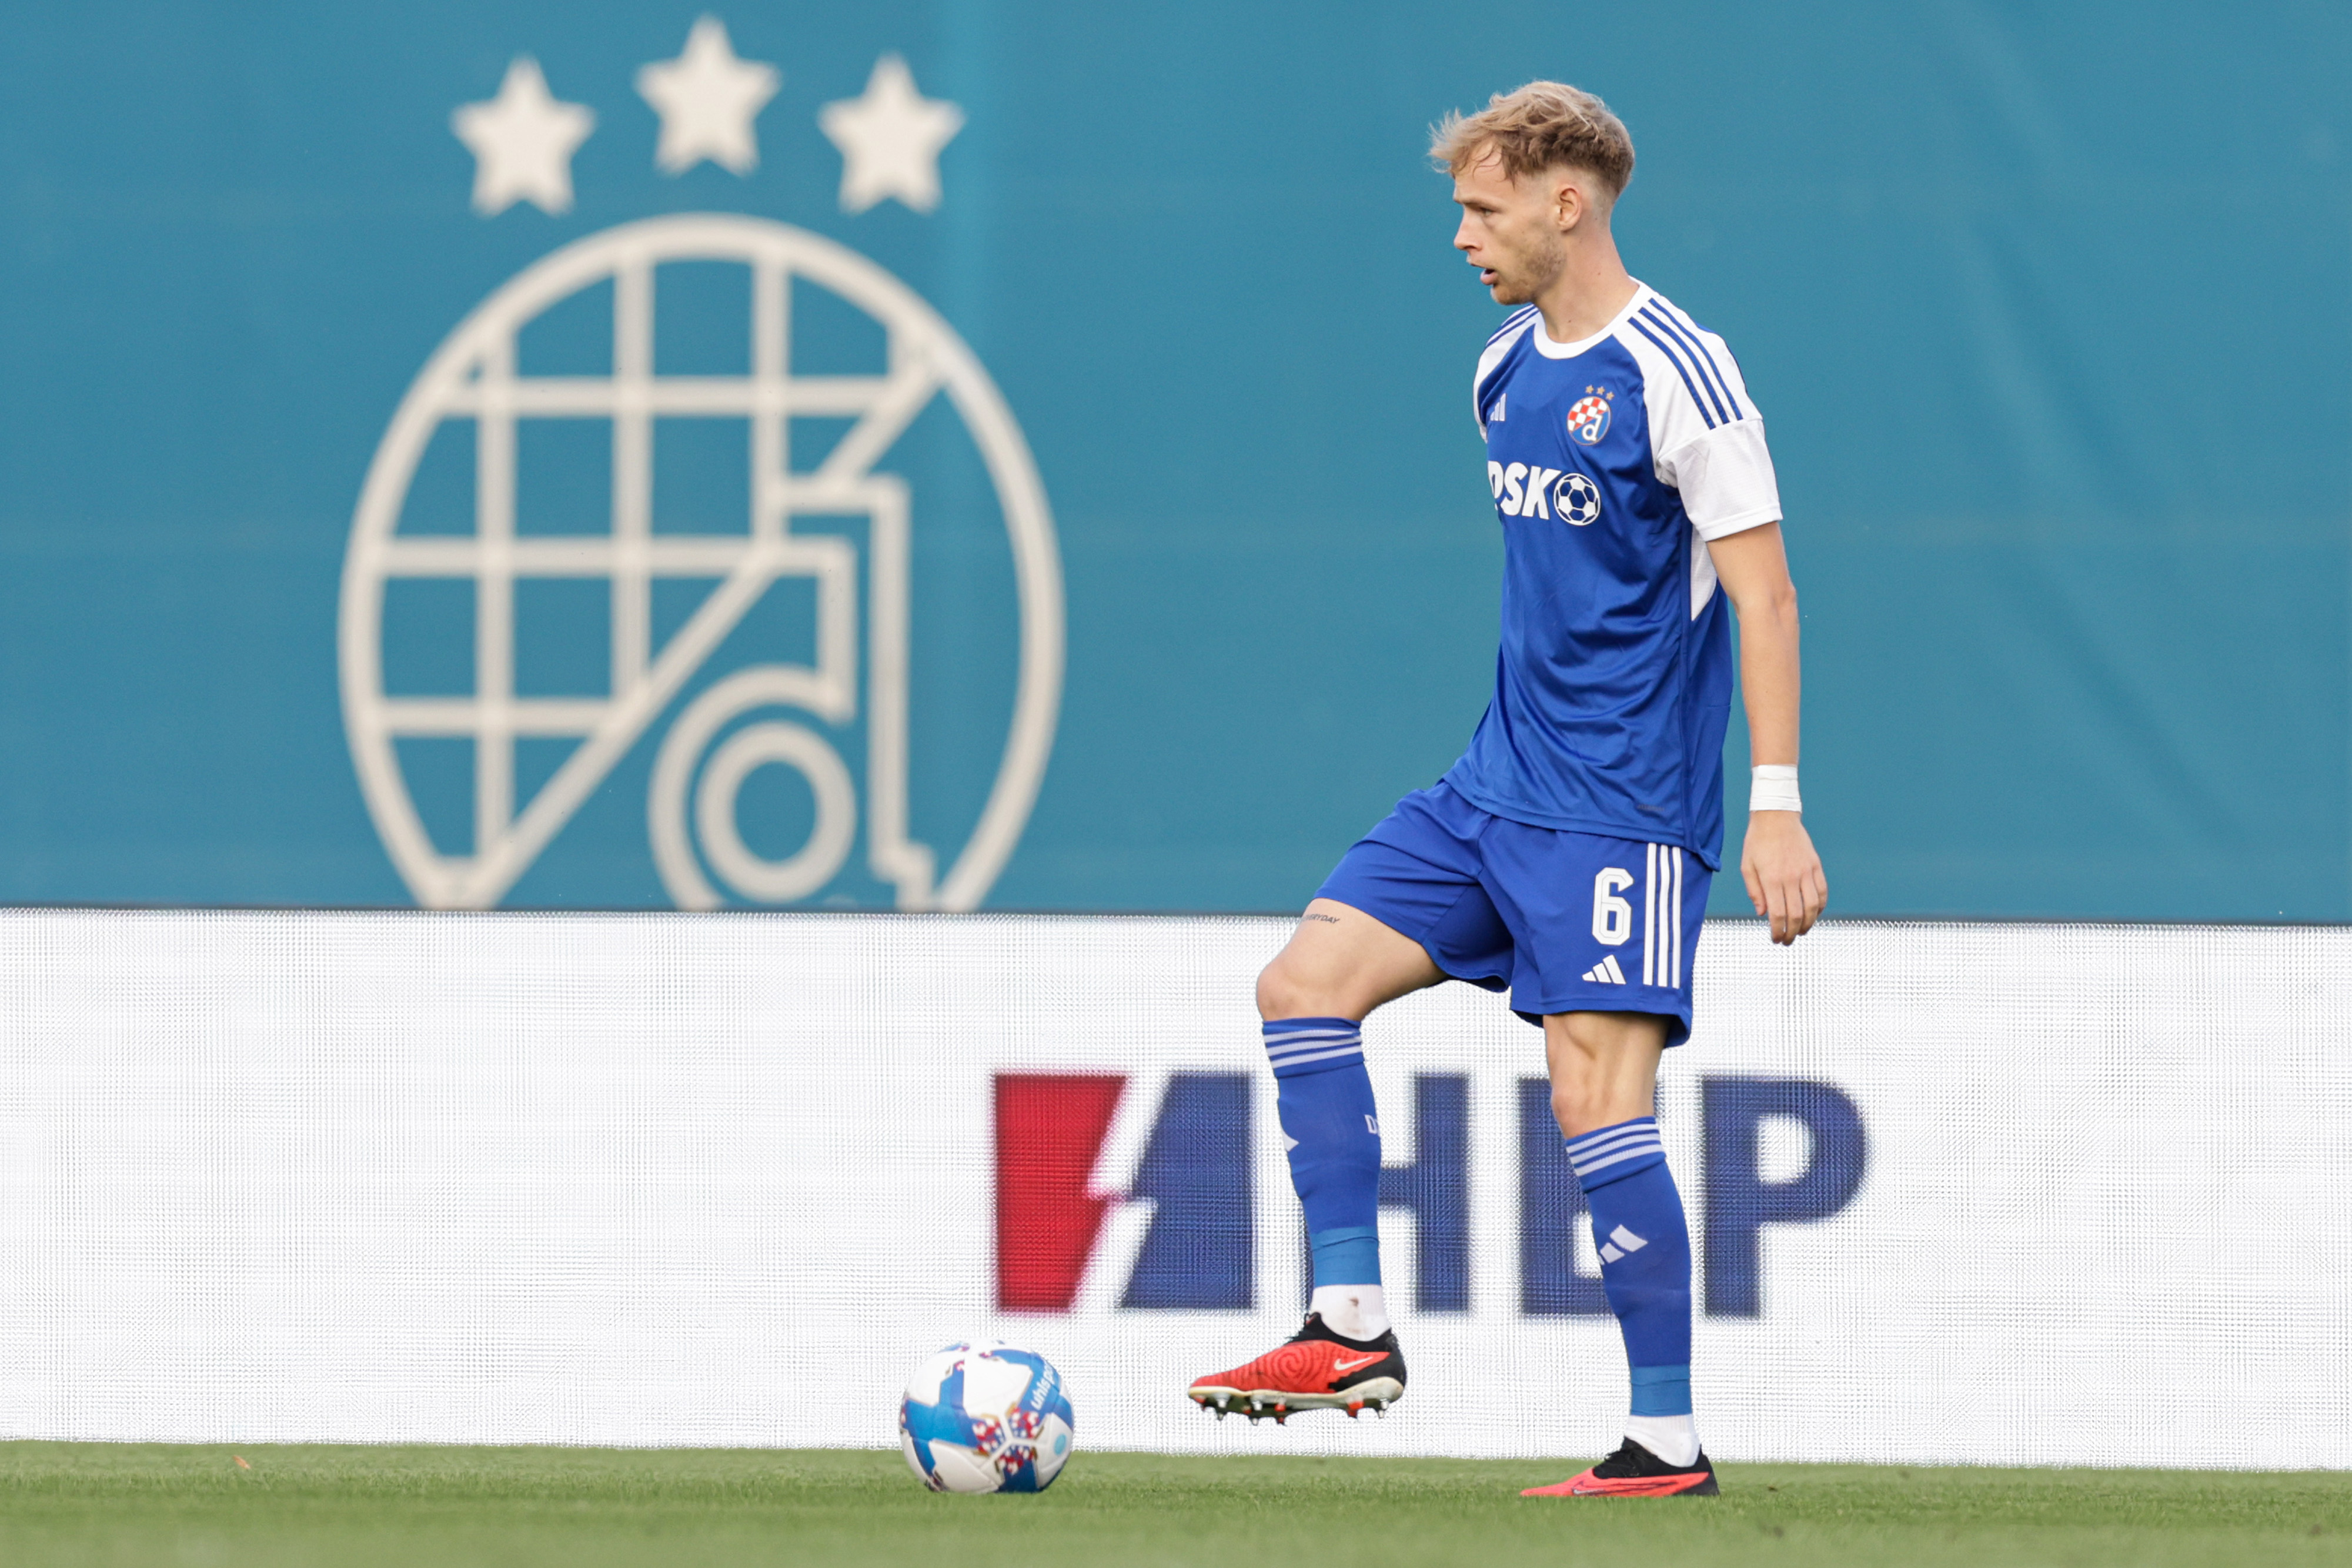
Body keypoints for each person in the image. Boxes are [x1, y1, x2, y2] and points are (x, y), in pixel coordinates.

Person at [1184, 80, 1826, 1499]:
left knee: (1592, 1099)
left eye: (1481, 208)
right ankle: (1348, 1323)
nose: (1461, 235)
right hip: (1488, 790)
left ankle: (1662, 1441)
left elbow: (1764, 596)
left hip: (1618, 809)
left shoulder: (1680, 370)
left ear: (1564, 202)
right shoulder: (1497, 369)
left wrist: (1773, 800)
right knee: (1300, 984)